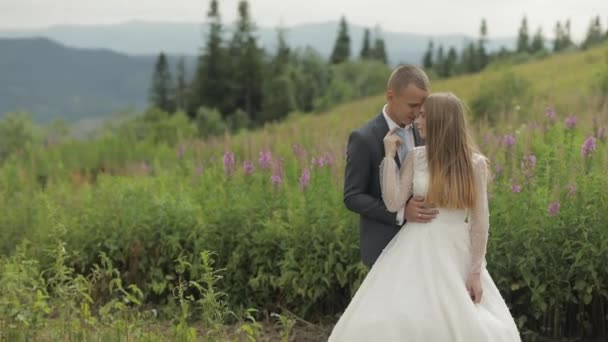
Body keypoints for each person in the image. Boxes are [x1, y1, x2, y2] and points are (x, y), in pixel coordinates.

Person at [329, 92, 521, 341]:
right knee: (403, 315)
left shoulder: (475, 165)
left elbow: (479, 223)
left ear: (440, 120)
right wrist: (388, 157)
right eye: (418, 114)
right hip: (414, 246)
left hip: (454, 249)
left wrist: (474, 272)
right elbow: (394, 201)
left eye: (423, 115)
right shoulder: (416, 156)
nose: (417, 121)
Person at [343, 64, 438, 267]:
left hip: (424, 246)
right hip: (384, 246)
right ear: (391, 96)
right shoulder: (363, 138)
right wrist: (401, 213)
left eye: (422, 106)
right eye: (412, 105)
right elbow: (352, 197)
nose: (418, 113)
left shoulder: (425, 130)